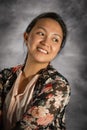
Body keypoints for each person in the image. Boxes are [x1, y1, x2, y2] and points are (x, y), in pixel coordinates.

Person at [0, 12, 71, 130]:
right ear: (26, 37)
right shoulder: (5, 76)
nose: (46, 42)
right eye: (41, 33)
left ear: (58, 49)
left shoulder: (58, 86)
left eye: (55, 39)